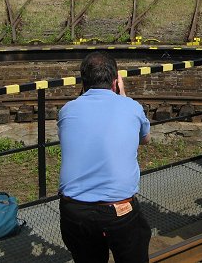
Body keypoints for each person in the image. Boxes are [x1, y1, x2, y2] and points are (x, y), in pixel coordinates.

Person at [58, 51, 151, 263]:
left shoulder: (67, 110)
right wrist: (124, 97)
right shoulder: (131, 107)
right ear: (115, 80)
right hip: (119, 210)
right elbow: (144, 139)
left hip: (74, 211)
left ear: (83, 81)